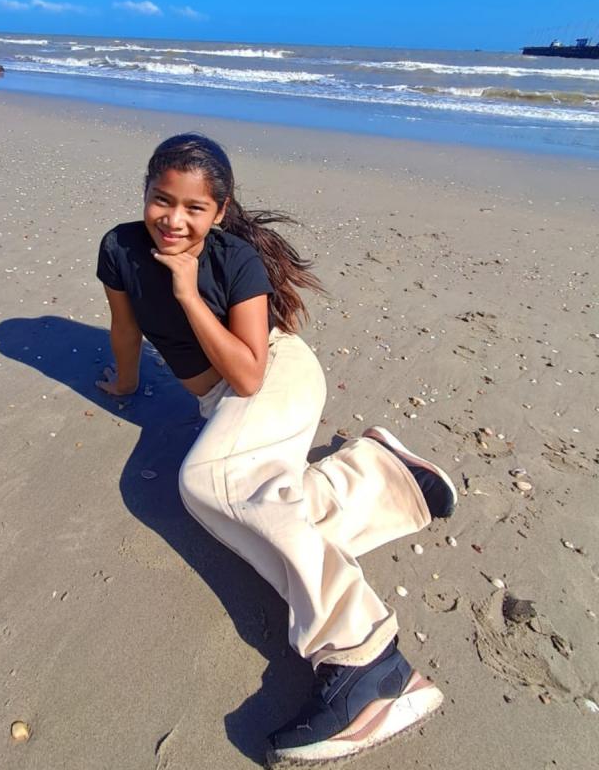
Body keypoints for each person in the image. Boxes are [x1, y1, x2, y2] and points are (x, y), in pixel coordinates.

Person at [95, 133, 457, 765]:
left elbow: (249, 375)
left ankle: (368, 662)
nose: (174, 220)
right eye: (161, 200)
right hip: (225, 404)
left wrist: (186, 292)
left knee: (210, 483)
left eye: (194, 208)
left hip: (275, 377)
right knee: (260, 498)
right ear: (145, 192)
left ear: (219, 210)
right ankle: (381, 478)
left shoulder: (234, 260)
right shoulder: (120, 247)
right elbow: (124, 327)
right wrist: (125, 385)